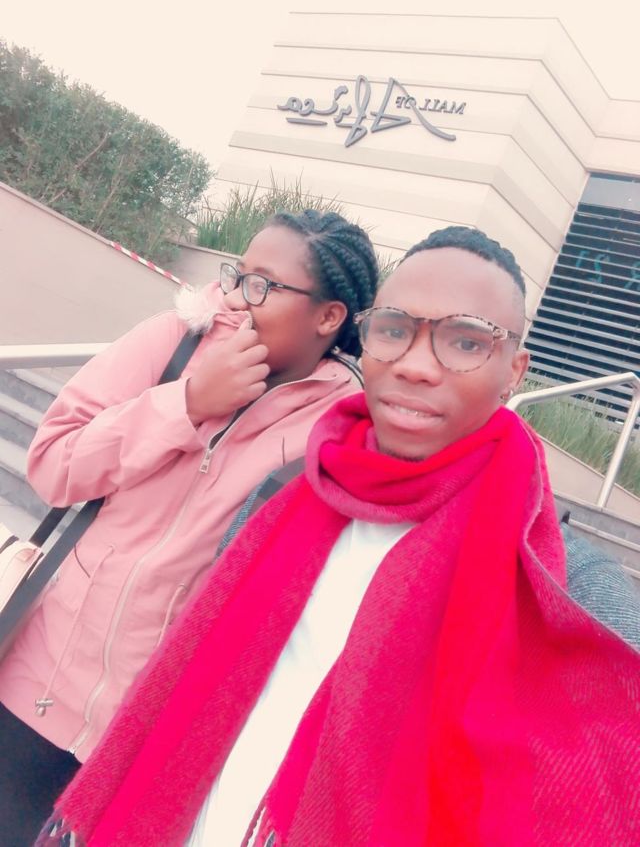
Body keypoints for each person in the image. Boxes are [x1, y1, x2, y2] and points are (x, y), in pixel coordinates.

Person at [37, 227, 640, 847]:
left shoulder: (568, 589)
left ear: (514, 370)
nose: (415, 365)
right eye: (395, 330)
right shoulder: (288, 496)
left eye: (465, 341)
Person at [0, 209, 379, 845]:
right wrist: (187, 401)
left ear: (328, 316)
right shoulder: (176, 343)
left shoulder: (339, 429)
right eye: (238, 275)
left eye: (263, 285)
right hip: (32, 685)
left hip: (150, 745)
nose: (237, 297)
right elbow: (53, 464)